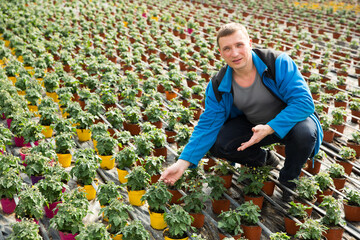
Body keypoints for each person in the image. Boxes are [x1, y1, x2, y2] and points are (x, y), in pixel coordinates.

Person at [160, 22, 323, 202]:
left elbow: (304, 103)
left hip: (290, 122)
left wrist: (269, 128)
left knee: (305, 133)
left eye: (239, 45)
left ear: (250, 43)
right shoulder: (219, 84)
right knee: (219, 142)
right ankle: (266, 159)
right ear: (221, 53)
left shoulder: (276, 62)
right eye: (227, 48)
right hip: (253, 127)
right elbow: (208, 124)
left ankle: (289, 181)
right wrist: (183, 163)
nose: (234, 53)